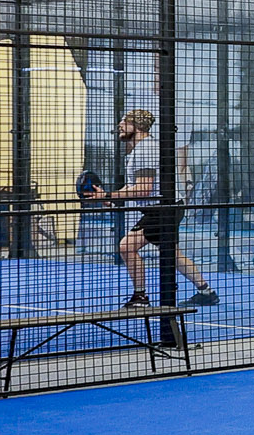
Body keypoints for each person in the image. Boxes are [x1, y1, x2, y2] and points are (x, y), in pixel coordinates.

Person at [88, 110, 219, 310]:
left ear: (137, 126)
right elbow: (132, 186)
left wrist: (107, 196)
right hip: (167, 207)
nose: (119, 125)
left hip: (162, 210)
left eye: (124, 122)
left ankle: (140, 297)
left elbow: (143, 189)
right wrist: (111, 199)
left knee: (126, 247)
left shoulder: (145, 150)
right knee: (172, 253)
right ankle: (206, 292)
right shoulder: (141, 149)